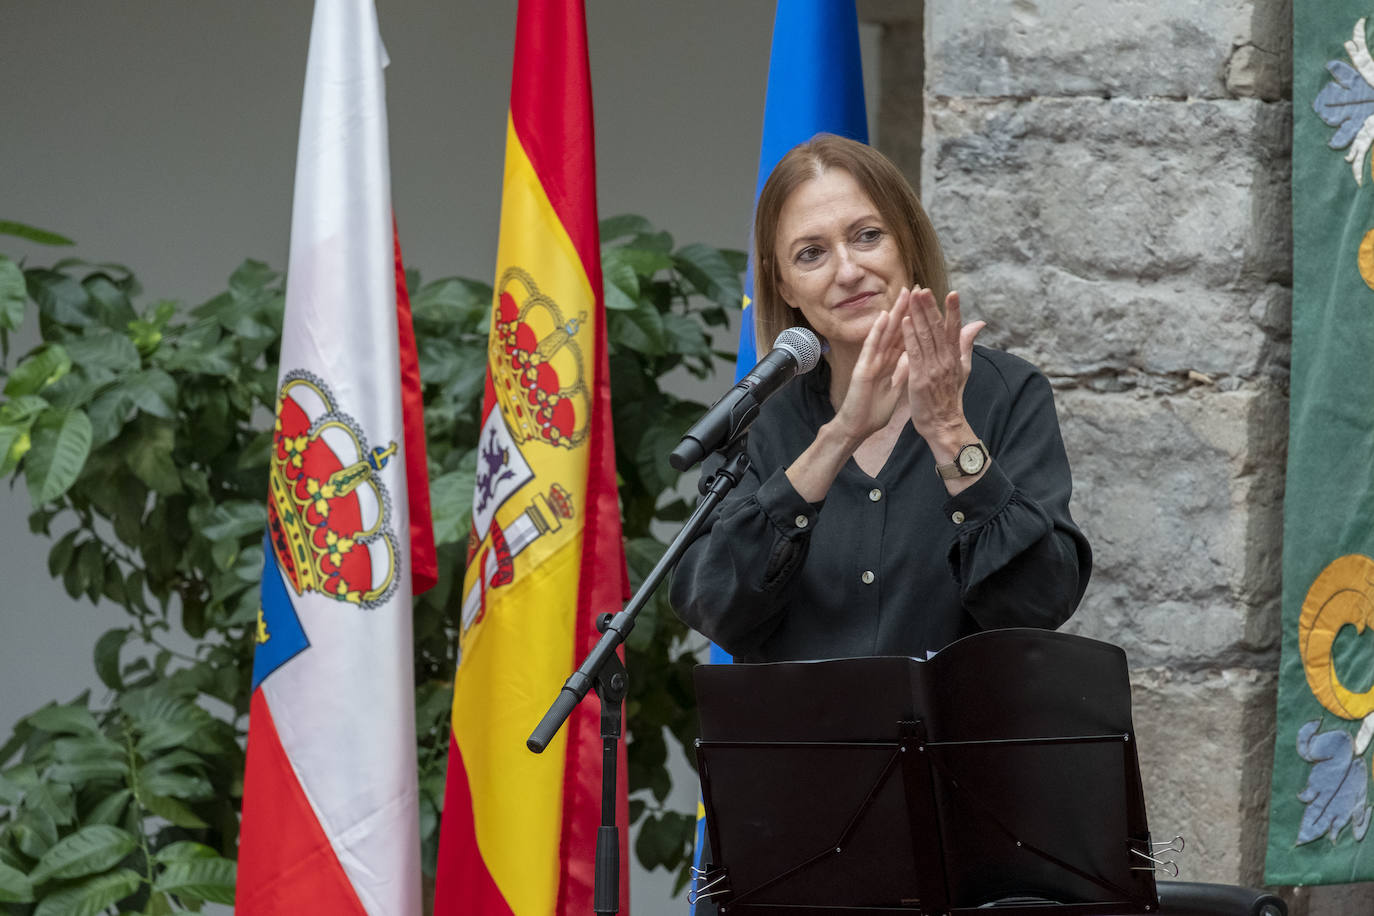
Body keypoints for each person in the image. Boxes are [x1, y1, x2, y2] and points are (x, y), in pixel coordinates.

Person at [669, 134, 1091, 662]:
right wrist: (840, 437)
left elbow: (1040, 603)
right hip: (807, 741)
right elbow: (716, 607)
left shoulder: (1007, 394)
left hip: (963, 741)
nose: (847, 271)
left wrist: (949, 431)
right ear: (784, 287)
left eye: (868, 236)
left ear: (907, 244)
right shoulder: (762, 418)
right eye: (812, 254)